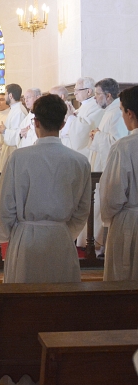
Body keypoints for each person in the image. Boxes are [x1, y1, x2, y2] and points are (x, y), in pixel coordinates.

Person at [0, 93, 91, 385]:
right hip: (61, 243)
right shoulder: (79, 161)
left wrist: (12, 234)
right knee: (61, 311)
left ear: (34, 124)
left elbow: (4, 206)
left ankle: (29, 380)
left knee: (26, 311)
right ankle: (59, 378)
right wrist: (63, 232)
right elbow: (82, 210)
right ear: (63, 123)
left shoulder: (20, 159)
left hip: (27, 241)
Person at [77, 78, 128, 251]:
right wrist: (97, 134)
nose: (96, 98)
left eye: (98, 94)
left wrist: (98, 135)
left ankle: (98, 245)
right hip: (100, 164)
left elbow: (117, 143)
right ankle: (94, 242)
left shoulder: (116, 113)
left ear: (107, 95)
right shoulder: (110, 111)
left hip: (107, 168)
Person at [101, 86, 138, 280]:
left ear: (129, 113)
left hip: (129, 224)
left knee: (125, 280)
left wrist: (108, 217)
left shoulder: (124, 147)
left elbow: (112, 195)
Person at [66, 76, 105, 157]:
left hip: (88, 154)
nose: (74, 93)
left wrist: (71, 117)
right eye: (74, 90)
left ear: (89, 91)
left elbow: (86, 128)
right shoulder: (84, 105)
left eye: (78, 90)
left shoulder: (96, 105)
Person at [0, 83, 28, 168]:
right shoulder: (14, 109)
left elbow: (18, 135)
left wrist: (4, 131)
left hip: (14, 151)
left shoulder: (19, 111)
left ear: (10, 96)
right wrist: (3, 130)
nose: (5, 96)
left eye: (6, 94)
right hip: (9, 151)